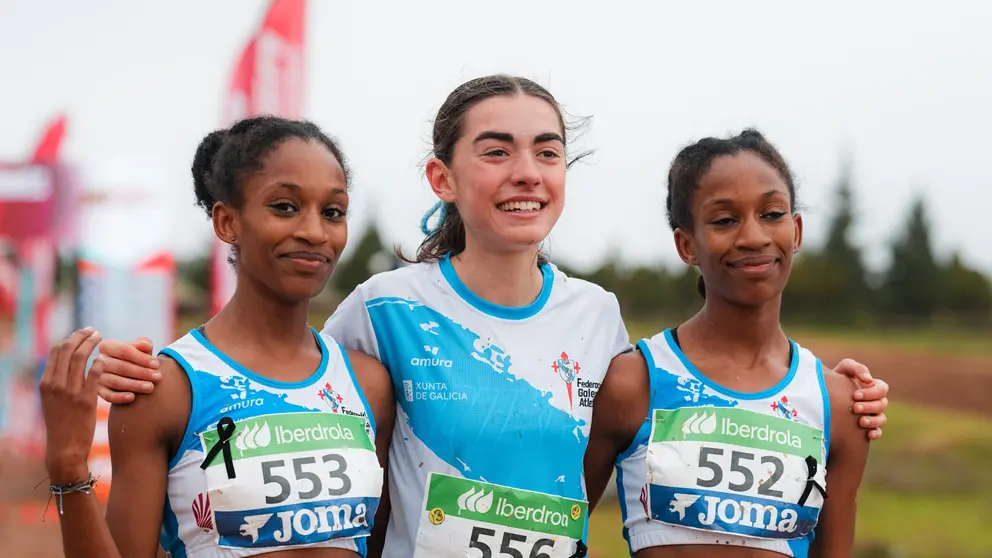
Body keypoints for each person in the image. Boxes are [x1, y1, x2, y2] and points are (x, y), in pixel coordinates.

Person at [90, 76, 889, 557]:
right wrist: (128, 370)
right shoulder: (382, 308)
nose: (527, 173)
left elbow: (695, 401)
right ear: (444, 175)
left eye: (547, 151)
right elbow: (282, 391)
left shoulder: (598, 315)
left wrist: (834, 390)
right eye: (497, 150)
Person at [38, 116, 394, 558]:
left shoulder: (369, 386)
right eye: (284, 206)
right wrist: (69, 465)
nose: (314, 232)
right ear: (227, 222)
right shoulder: (166, 388)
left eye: (333, 212)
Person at [585, 130, 872, 557]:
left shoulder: (839, 403)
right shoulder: (634, 382)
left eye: (772, 214)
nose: (754, 237)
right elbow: (557, 537)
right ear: (687, 245)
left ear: (796, 231)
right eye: (724, 220)